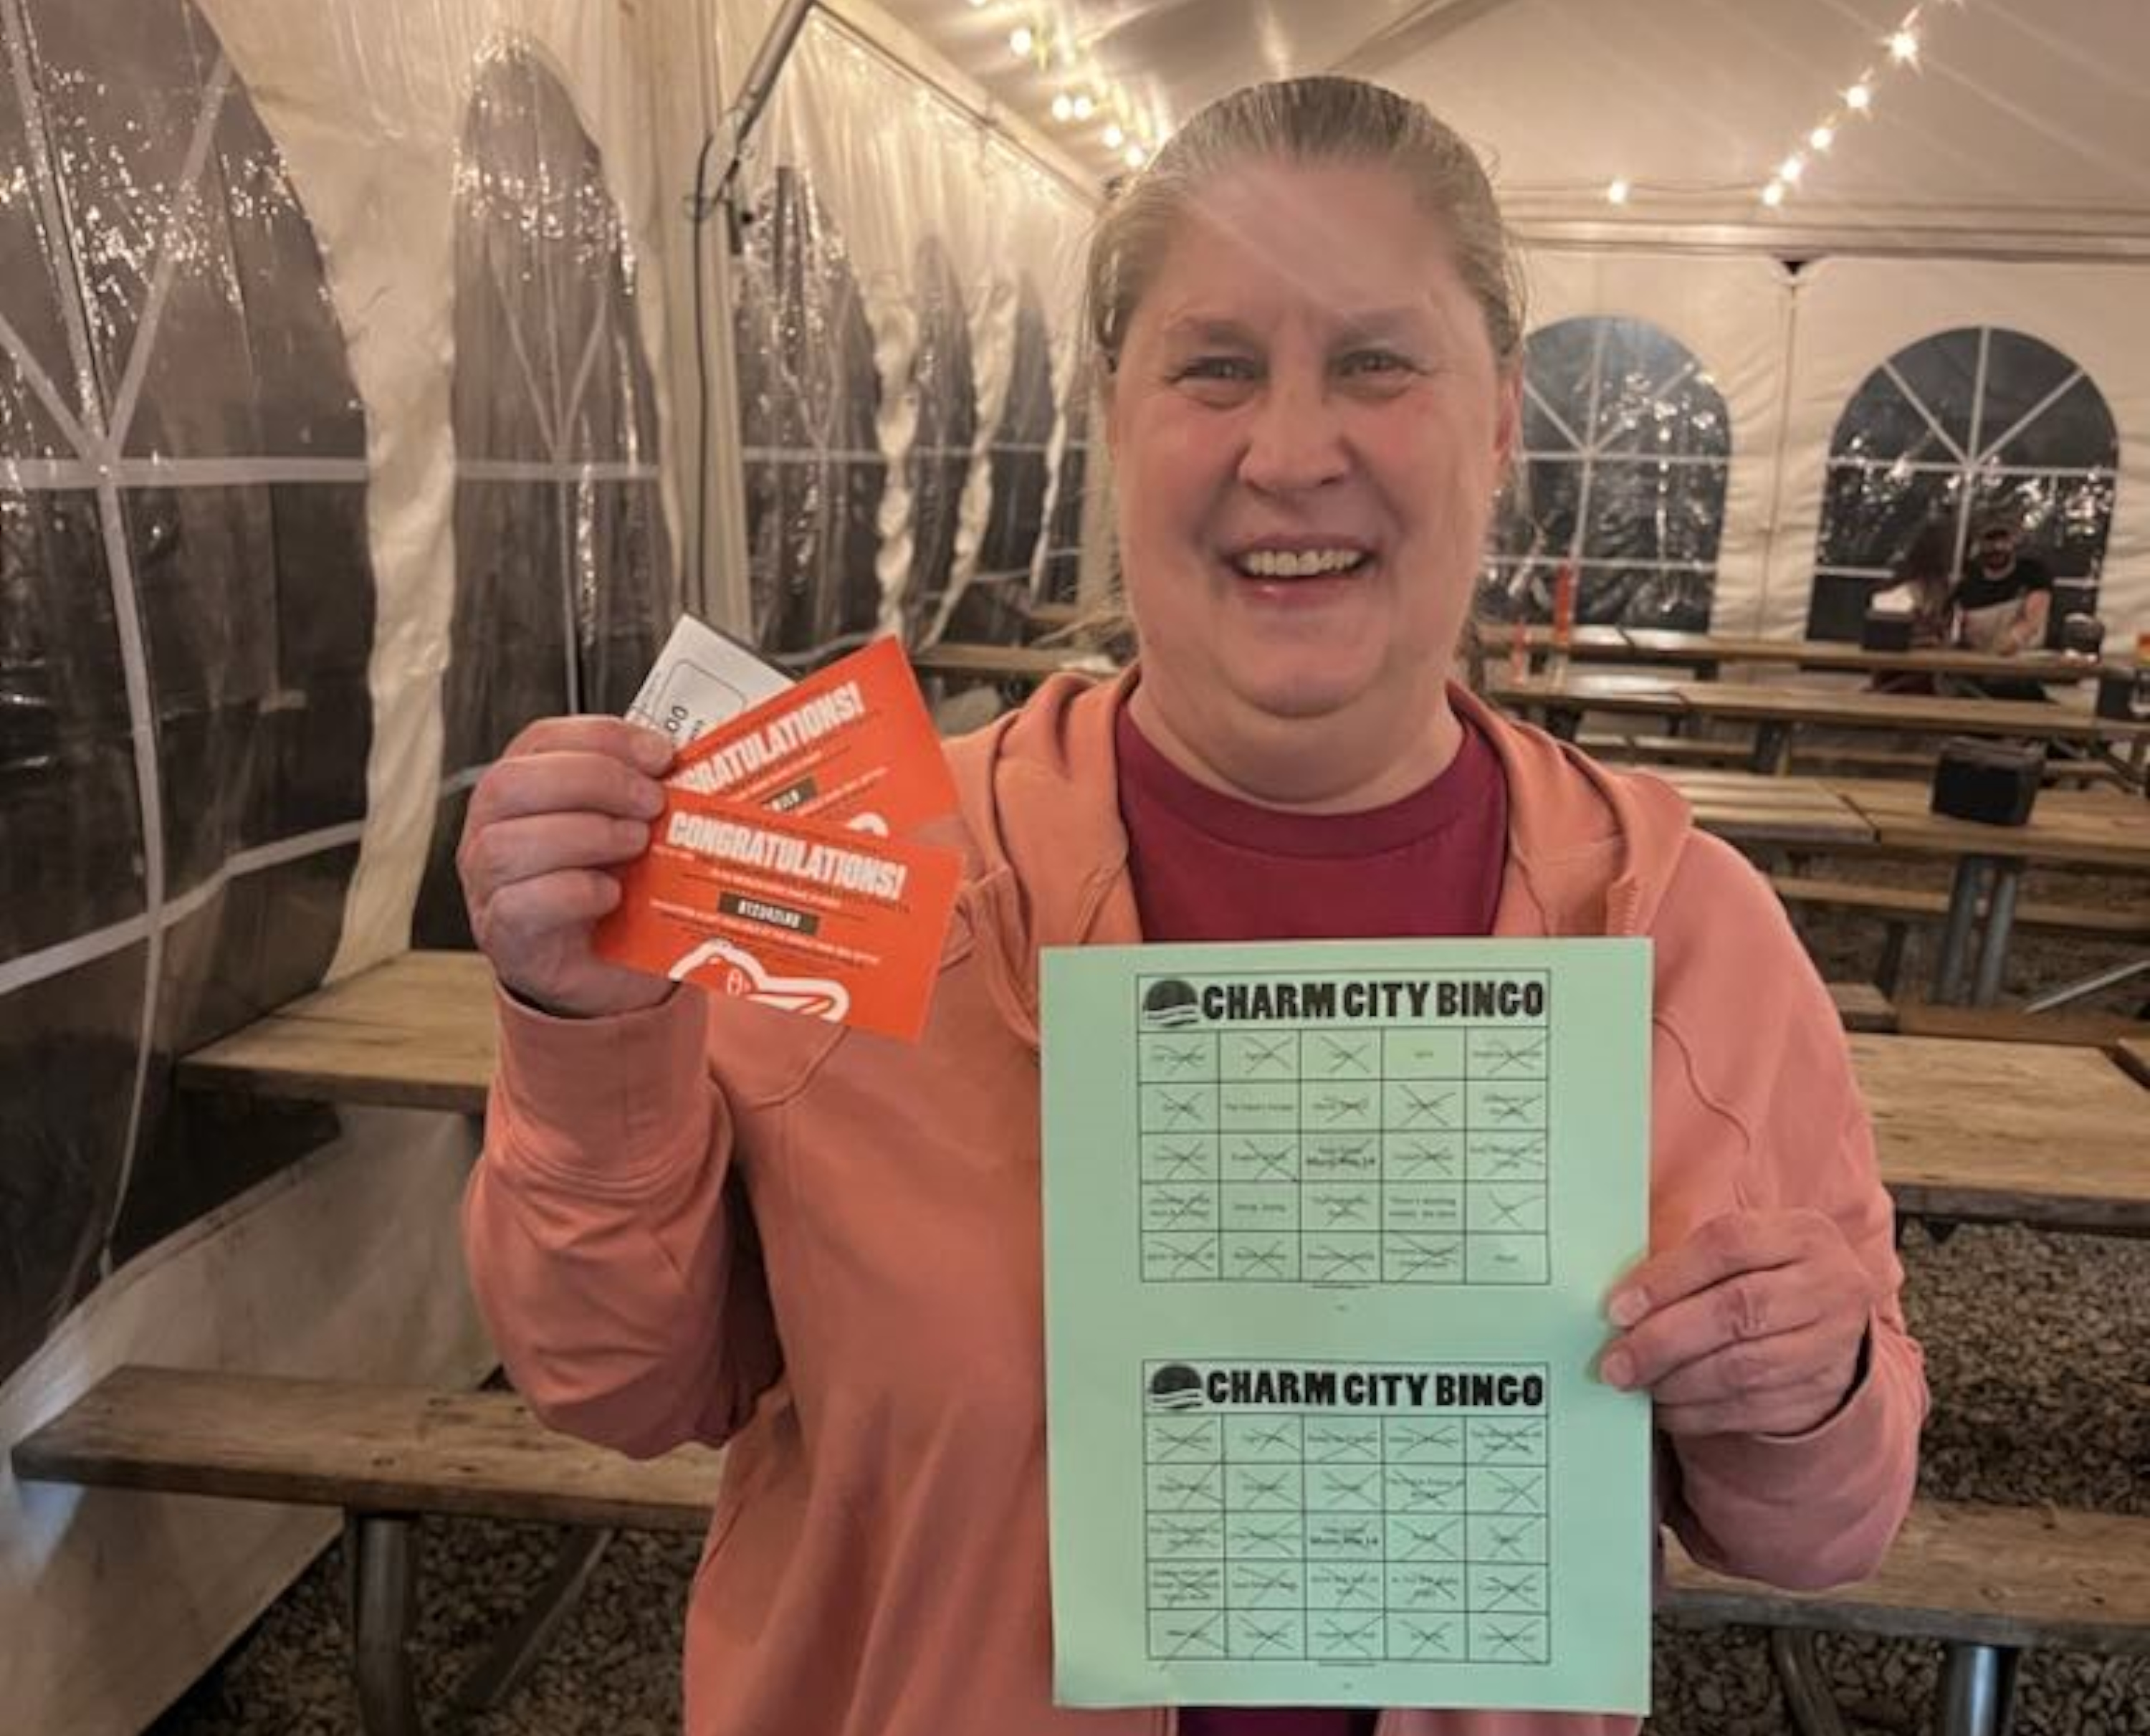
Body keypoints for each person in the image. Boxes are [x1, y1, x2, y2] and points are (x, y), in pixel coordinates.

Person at [458, 77, 1925, 1736]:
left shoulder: (1688, 936)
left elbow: (1824, 1526)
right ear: (1115, 415)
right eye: (1214, 367)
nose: (1289, 454)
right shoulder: (865, 866)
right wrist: (588, 1033)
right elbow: (614, 1379)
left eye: (1376, 363)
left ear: (1503, 416)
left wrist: (1814, 1384)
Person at [1867, 521, 1957, 695]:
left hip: (1927, 671)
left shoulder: (1942, 587)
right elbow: (1885, 641)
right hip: (1899, 671)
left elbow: (1944, 630)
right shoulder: (1900, 591)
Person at [1952, 512, 2053, 657]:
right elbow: (1956, 628)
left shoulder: (2033, 573)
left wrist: (2008, 644)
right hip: (1978, 662)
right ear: (1980, 543)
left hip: (2025, 662)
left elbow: (2032, 622)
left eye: (2003, 540)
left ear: (2013, 541)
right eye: (1990, 540)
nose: (1997, 547)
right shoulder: (1968, 584)